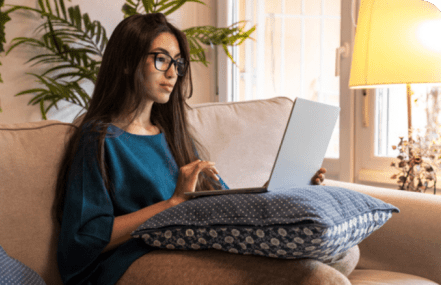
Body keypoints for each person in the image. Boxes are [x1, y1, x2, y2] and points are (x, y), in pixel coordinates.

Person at [55, 13, 356, 285]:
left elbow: (216, 206)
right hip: (126, 261)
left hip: (188, 246)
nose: (172, 73)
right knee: (321, 278)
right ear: (125, 62)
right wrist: (173, 203)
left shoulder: (173, 135)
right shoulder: (99, 139)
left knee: (347, 253)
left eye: (177, 63)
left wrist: (283, 187)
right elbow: (83, 238)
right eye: (161, 59)